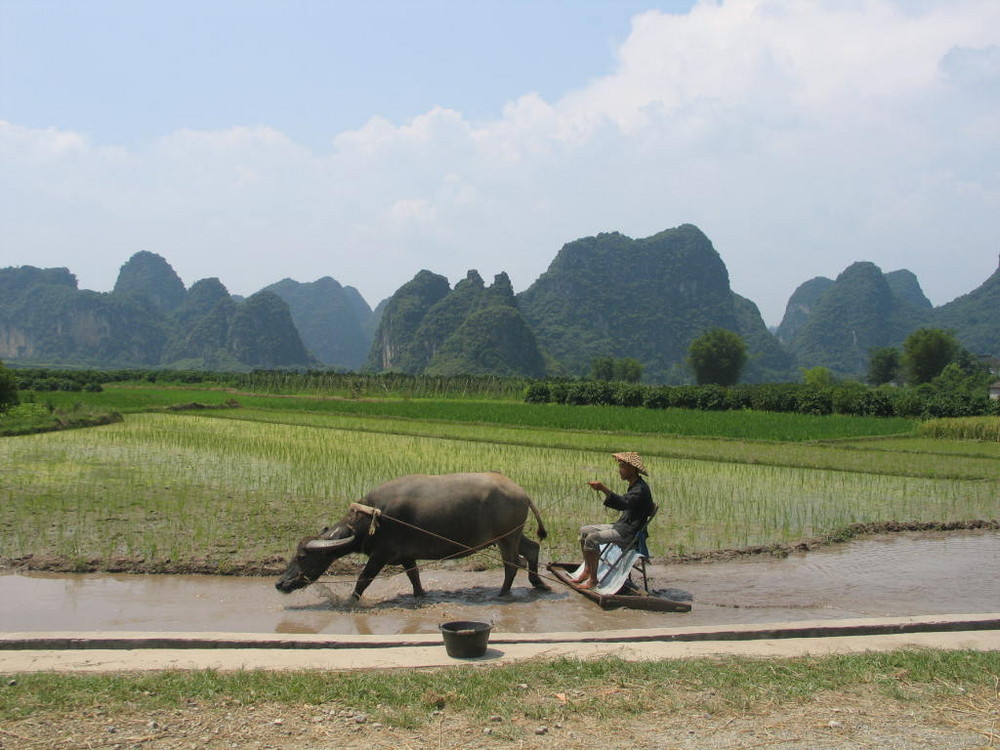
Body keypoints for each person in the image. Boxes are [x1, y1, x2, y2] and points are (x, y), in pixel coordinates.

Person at [571, 451, 654, 590]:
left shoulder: (640, 489)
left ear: (632, 469)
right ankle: (587, 570)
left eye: (622, 466)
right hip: (621, 526)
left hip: (628, 533)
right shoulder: (634, 485)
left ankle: (593, 579)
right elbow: (624, 503)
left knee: (592, 539)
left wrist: (603, 488)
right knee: (584, 531)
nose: (619, 470)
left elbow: (623, 503)